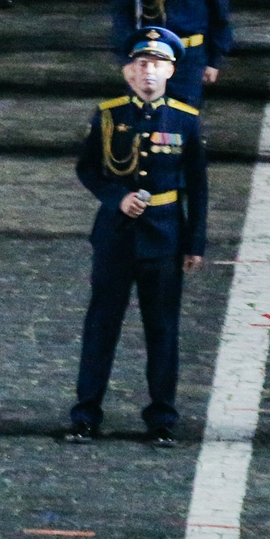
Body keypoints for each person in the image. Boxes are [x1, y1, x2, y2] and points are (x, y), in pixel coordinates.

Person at [60, 28, 203, 446]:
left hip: (163, 236)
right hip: (116, 237)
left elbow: (198, 186)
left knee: (162, 331)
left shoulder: (185, 119)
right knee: (101, 327)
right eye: (141, 65)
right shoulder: (108, 115)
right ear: (128, 72)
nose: (148, 73)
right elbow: (88, 168)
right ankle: (86, 413)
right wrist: (116, 197)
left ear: (170, 71)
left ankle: (162, 418)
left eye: (156, 65)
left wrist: (195, 243)